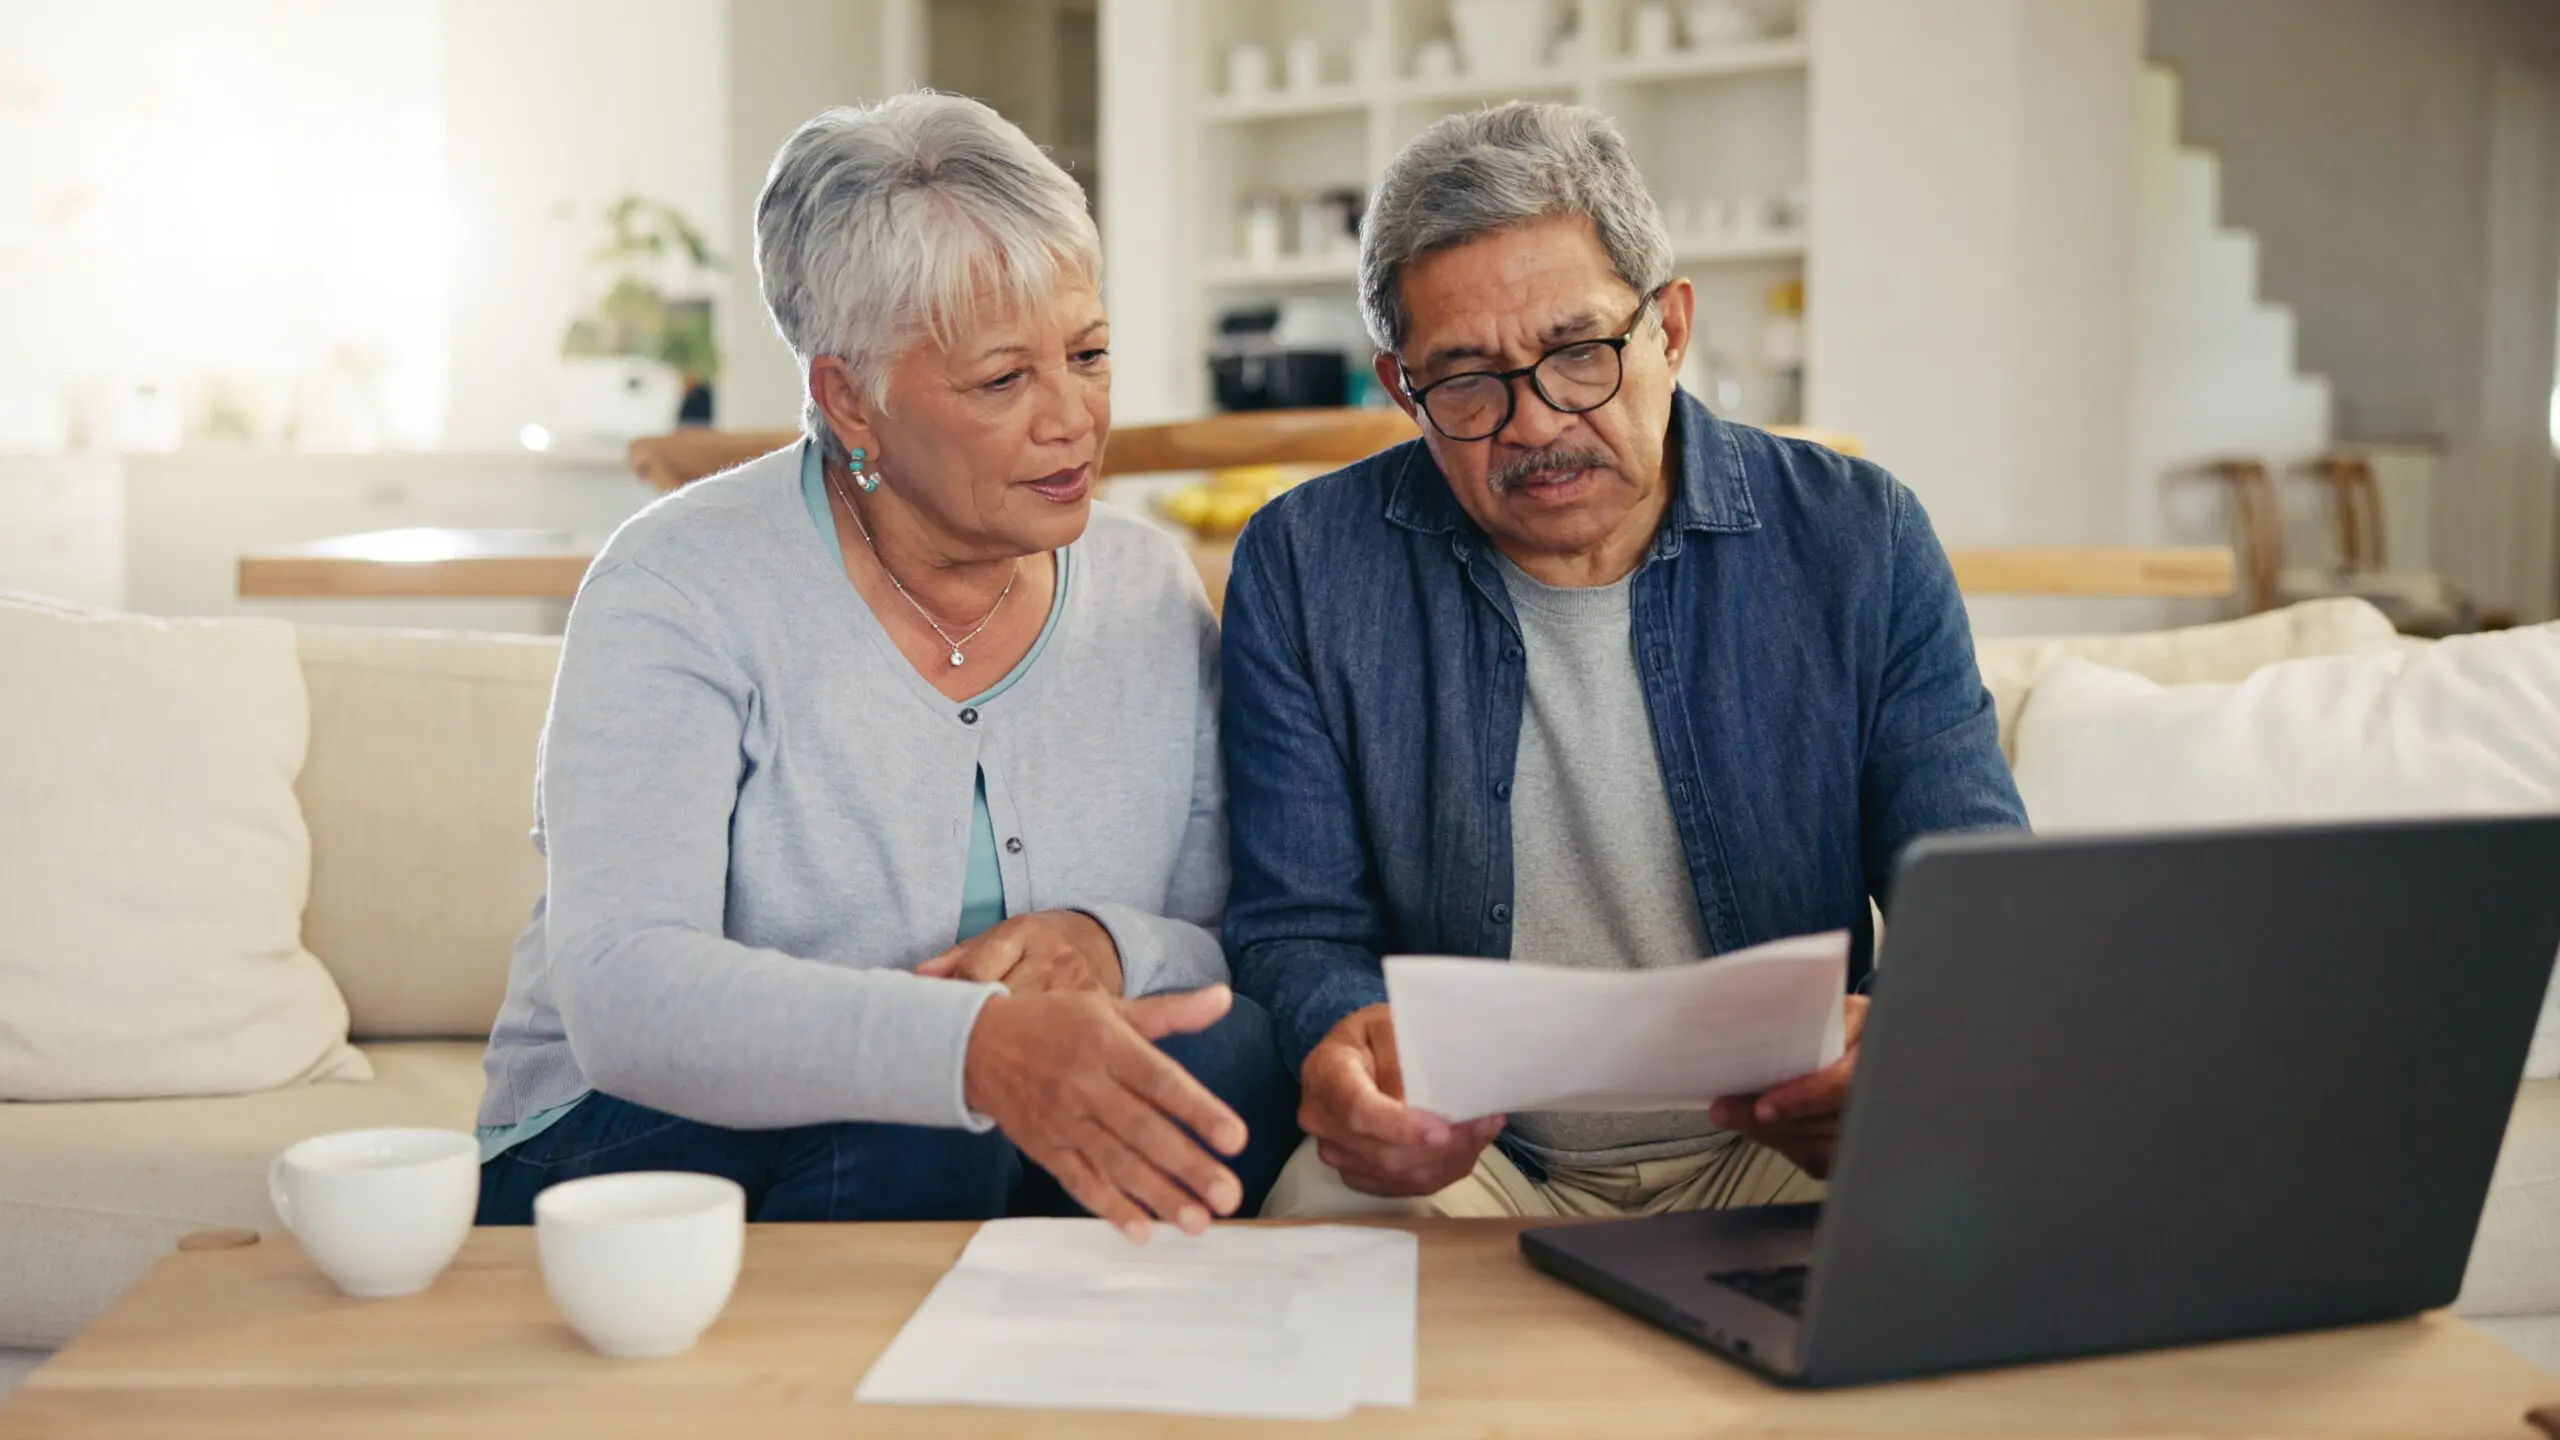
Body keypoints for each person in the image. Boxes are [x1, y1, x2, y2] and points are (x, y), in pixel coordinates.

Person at [474, 93, 1296, 1237]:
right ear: (848, 397)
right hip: (627, 1136)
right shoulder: (675, 585)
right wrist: (969, 1048)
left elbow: (1224, 928)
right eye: (1003, 379)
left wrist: (1109, 944)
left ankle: (1066, 1360)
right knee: (924, 1110)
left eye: (1090, 355)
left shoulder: (1149, 588)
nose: (1073, 418)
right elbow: (623, 994)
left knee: (1225, 1041)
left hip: (970, 1143)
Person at [1225, 102, 2027, 1221]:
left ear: (1670, 328)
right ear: (1400, 389)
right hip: (1479, 1159)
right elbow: (1296, 923)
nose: (1536, 423)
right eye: (1464, 382)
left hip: (1789, 1138)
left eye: (1576, 353)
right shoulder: (1305, 565)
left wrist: (1898, 1049)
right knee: (1318, 1221)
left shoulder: (1857, 537)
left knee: (1999, 1203)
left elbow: (1977, 898)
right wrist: (1341, 1045)